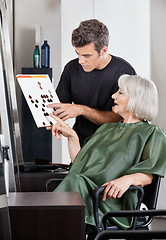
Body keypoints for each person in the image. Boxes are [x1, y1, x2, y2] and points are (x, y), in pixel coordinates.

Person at [49, 74, 166, 236]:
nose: (113, 96)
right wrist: (72, 137)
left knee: (66, 193)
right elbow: (79, 166)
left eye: (120, 93)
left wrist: (128, 179)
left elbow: (149, 175)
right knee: (74, 181)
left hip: (111, 199)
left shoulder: (152, 133)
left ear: (137, 99)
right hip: (86, 192)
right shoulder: (106, 129)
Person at [47, 19, 136, 147]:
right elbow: (59, 107)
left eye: (87, 56)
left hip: (115, 150)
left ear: (104, 50)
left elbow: (121, 118)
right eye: (78, 54)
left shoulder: (125, 73)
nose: (80, 61)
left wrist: (81, 110)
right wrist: (53, 120)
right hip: (82, 146)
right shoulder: (71, 69)